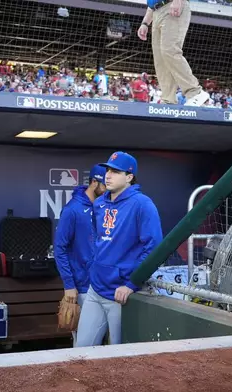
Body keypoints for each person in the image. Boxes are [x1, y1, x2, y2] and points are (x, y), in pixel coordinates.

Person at [75, 152, 163, 347]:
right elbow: (99, 241)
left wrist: (132, 283)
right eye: (107, 170)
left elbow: (155, 248)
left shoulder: (142, 204)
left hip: (120, 294)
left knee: (119, 357)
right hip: (95, 289)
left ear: (129, 177)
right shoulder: (99, 203)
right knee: (80, 350)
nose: (108, 175)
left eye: (115, 171)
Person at [54, 164, 107, 345]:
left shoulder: (105, 207)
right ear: (94, 182)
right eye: (105, 184)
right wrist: (69, 284)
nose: (108, 188)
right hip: (82, 286)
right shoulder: (72, 209)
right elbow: (59, 248)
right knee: (84, 342)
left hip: (103, 284)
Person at [136, 0, 209, 107]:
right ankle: (168, 100)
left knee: (170, 50)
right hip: (156, 12)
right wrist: (145, 23)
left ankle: (195, 92)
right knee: (160, 59)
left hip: (171, 5)